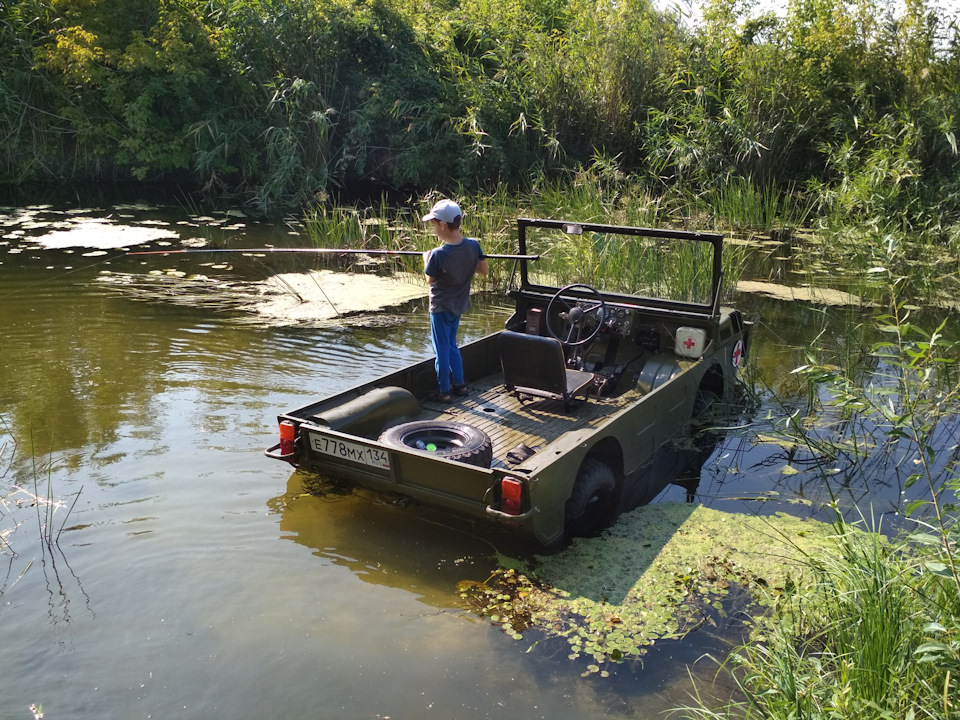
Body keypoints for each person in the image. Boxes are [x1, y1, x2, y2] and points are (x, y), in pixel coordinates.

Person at [421, 199, 488, 402]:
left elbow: (429, 279)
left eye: (433, 225)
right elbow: (483, 270)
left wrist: (426, 258)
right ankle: (460, 385)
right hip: (458, 305)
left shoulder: (438, 254)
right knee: (451, 344)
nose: (433, 229)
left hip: (440, 307)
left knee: (440, 349)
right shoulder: (474, 246)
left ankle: (444, 391)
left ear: (442, 225)